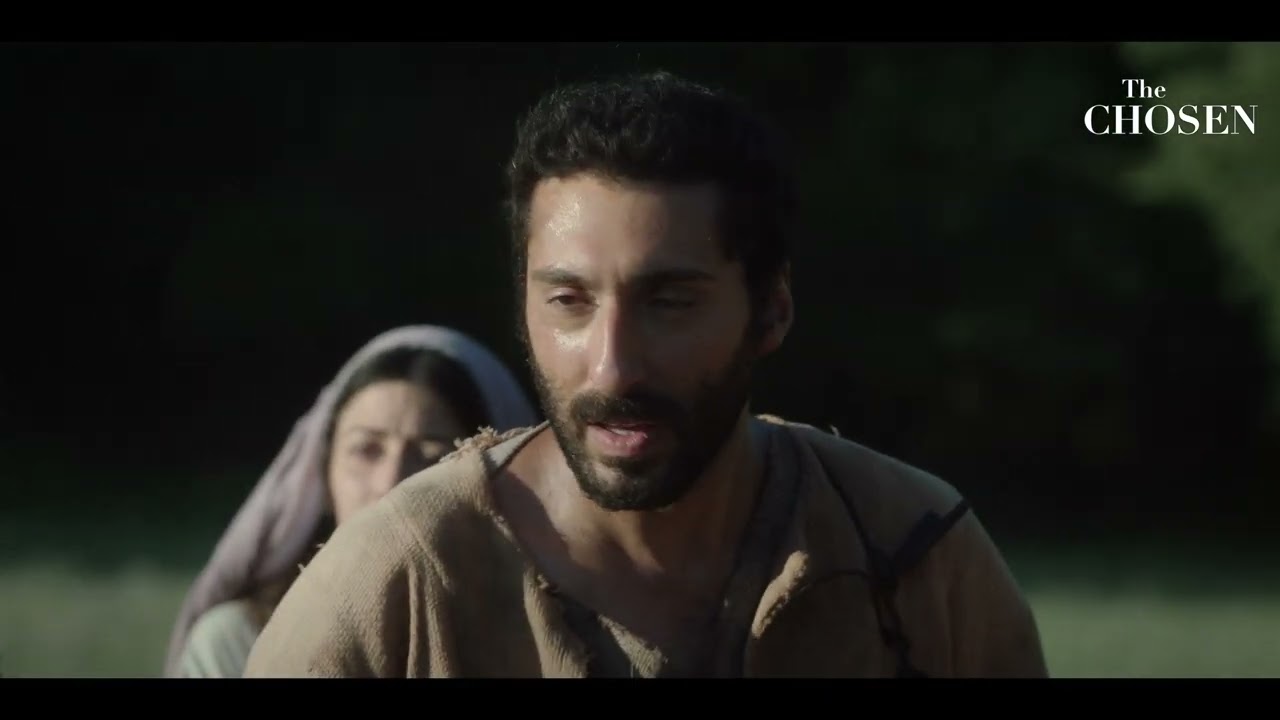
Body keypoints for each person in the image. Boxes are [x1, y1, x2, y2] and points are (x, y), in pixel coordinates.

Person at [242, 71, 1049, 678]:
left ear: (771, 311)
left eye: (669, 302)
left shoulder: (906, 551)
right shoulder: (402, 579)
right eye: (569, 301)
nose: (613, 366)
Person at [163, 325, 539, 678]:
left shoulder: (540, 644)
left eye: (433, 455)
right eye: (366, 450)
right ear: (324, 479)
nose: (391, 484)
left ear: (489, 478)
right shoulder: (238, 644)